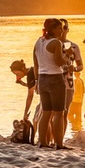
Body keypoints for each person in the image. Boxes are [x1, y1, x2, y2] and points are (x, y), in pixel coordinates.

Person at [34, 18, 69, 149]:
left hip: (42, 78)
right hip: (55, 78)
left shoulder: (38, 42)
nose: (61, 31)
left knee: (46, 112)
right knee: (59, 113)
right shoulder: (56, 43)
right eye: (59, 28)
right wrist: (68, 55)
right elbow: (59, 62)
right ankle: (59, 143)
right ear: (52, 29)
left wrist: (37, 81)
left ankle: (42, 141)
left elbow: (36, 63)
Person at [10, 59, 37, 128]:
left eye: (17, 73)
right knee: (39, 119)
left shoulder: (30, 75)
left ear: (22, 68)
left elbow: (30, 96)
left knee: (37, 120)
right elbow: (33, 85)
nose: (17, 76)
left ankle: (42, 138)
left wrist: (25, 113)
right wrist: (23, 84)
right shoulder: (32, 70)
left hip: (47, 95)